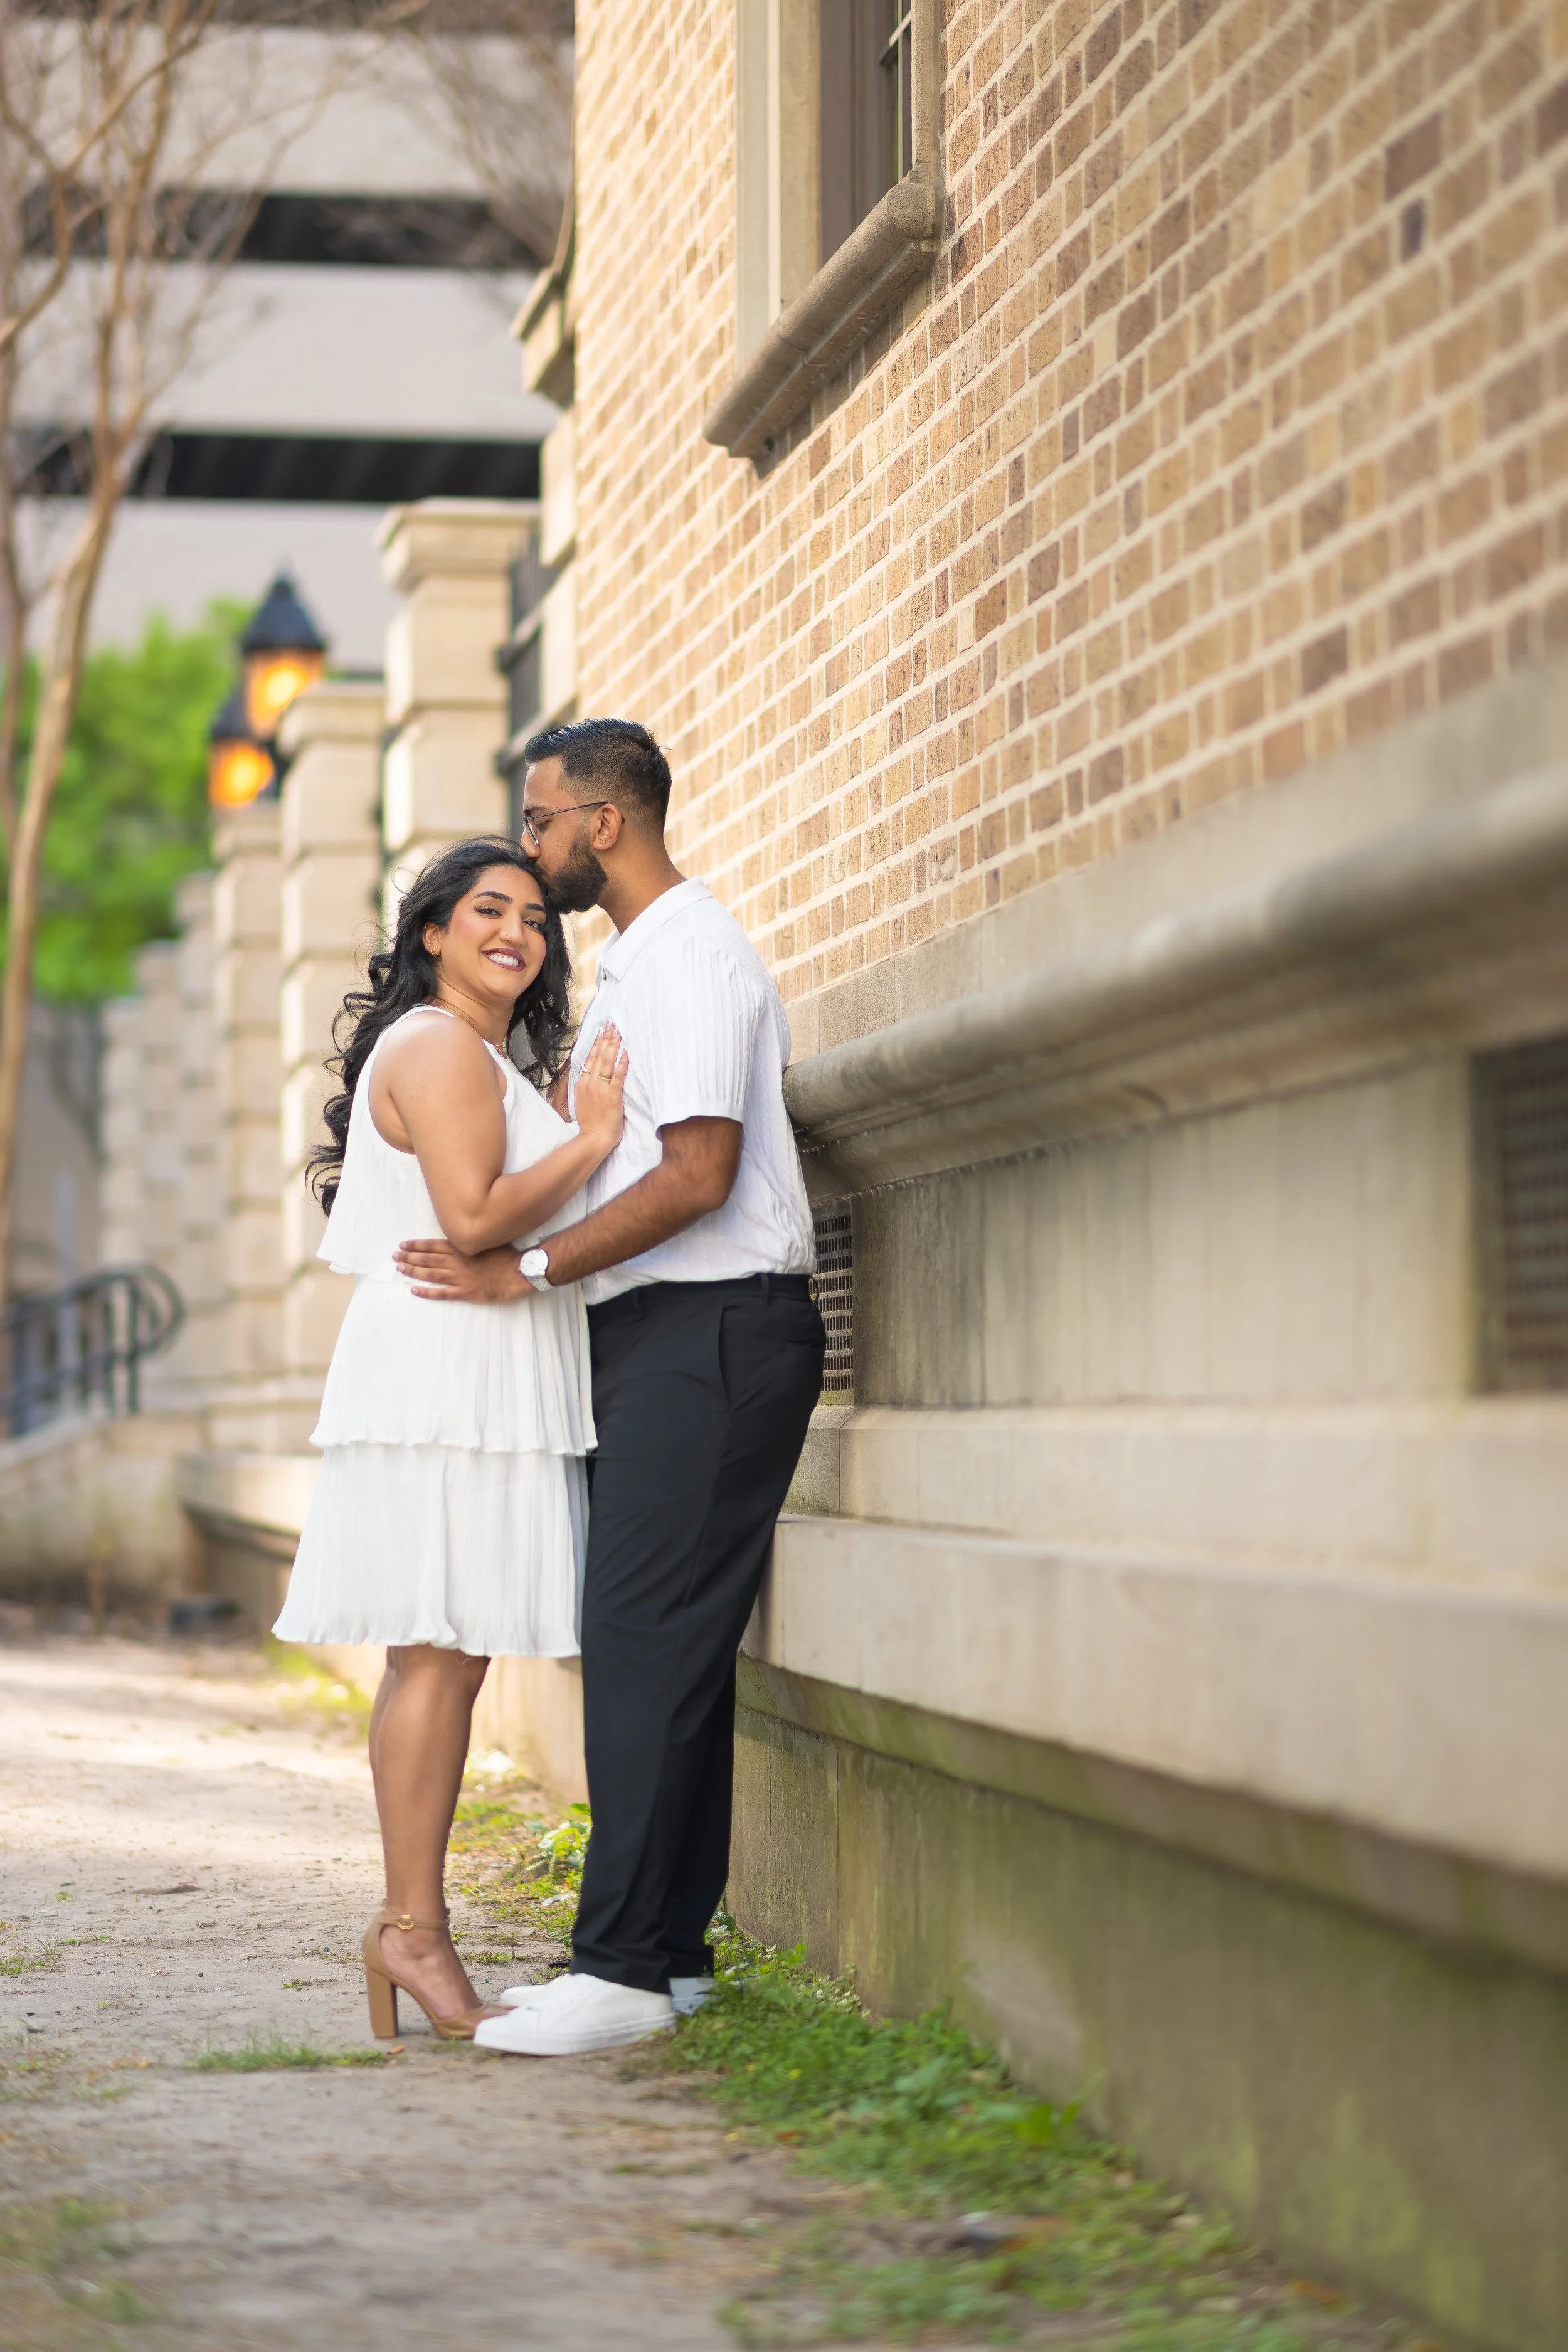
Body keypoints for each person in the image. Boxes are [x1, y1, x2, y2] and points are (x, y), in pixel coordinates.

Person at [393, 720, 825, 2058]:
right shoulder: (641, 965)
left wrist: (528, 1267)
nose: (527, 845)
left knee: (637, 1644)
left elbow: (697, 1174)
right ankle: (673, 1956)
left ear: (602, 824)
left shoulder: (690, 954)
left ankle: (620, 1969)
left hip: (709, 1335)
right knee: (669, 1650)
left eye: (539, 822)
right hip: (664, 1340)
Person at [274, 836, 628, 2042]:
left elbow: (478, 1223)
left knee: (445, 1656)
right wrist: (588, 1140)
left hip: (464, 1354)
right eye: (488, 910)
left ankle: (408, 1929)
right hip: (444, 1363)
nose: (517, 934)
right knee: (438, 1657)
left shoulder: (473, 1052)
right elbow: (475, 1214)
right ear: (431, 931)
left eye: (535, 918)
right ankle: (411, 1932)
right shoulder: (435, 1045)